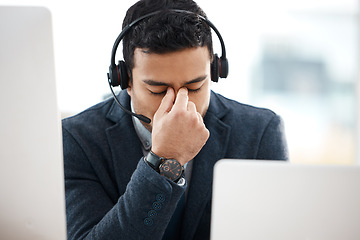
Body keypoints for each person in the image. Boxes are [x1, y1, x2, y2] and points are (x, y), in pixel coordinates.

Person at [62, 0, 289, 239]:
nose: (179, 105)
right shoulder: (77, 140)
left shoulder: (261, 132)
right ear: (125, 79)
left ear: (215, 71)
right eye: (158, 91)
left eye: (195, 86)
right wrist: (165, 161)